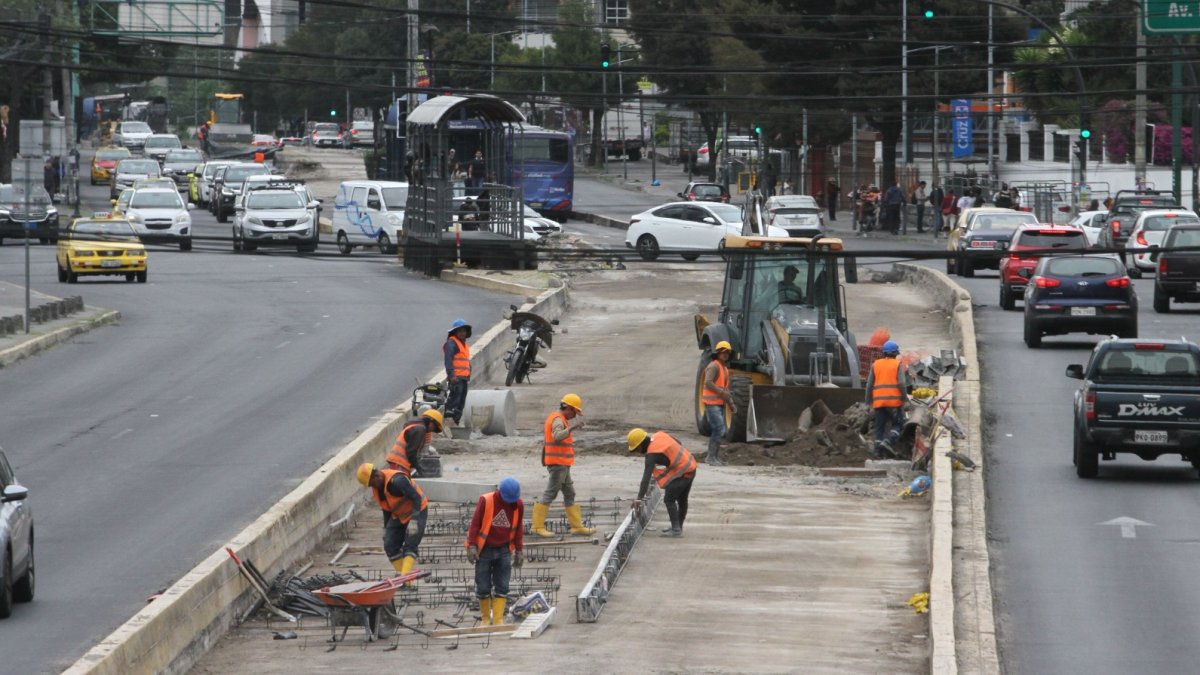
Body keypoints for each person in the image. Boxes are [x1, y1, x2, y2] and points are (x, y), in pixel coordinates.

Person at [531, 394, 595, 538]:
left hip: (563, 464)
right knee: (550, 493)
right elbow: (557, 436)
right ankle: (537, 526)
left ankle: (577, 527)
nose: (574, 416)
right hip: (558, 464)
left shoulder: (560, 419)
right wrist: (572, 428)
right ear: (568, 408)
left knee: (569, 493)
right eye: (574, 412)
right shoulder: (558, 420)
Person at [465, 477, 524, 626]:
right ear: (499, 492)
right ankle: (485, 619)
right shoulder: (487, 500)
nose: (510, 502)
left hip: (504, 549)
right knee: (483, 586)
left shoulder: (518, 504)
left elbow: (519, 529)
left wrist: (519, 550)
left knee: (502, 585)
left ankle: (498, 620)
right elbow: (475, 524)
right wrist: (472, 545)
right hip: (484, 550)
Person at [356, 462, 428, 578]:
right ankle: (402, 576)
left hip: (417, 511)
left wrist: (414, 521)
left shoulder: (398, 481)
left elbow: (416, 498)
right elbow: (386, 507)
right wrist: (386, 528)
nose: (372, 487)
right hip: (399, 515)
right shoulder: (378, 488)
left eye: (372, 483)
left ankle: (406, 581)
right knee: (390, 545)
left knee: (410, 546)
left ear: (377, 476)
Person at [628, 428, 698, 537]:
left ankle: (676, 530)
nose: (638, 452)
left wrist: (639, 498)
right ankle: (678, 527)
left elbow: (645, 478)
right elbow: (678, 443)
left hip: (683, 472)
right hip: (691, 465)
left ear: (640, 445)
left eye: (636, 449)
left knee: (669, 499)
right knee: (682, 500)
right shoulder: (659, 435)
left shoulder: (651, 455)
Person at [865, 340, 909, 459]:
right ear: (895, 353)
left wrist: (867, 402)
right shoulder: (897, 364)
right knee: (898, 425)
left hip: (879, 403)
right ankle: (888, 441)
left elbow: (869, 385)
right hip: (894, 403)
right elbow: (901, 383)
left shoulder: (876, 364)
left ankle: (877, 452)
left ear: (884, 353)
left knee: (879, 427)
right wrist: (905, 398)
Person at [701, 340, 736, 467]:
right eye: (723, 352)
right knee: (719, 429)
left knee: (719, 429)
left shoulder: (724, 369)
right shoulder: (714, 366)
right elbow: (708, 383)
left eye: (727, 352)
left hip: (719, 403)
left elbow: (725, 389)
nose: (725, 354)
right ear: (718, 353)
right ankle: (711, 457)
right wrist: (722, 393)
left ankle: (715, 457)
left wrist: (730, 403)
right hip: (712, 403)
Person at [386, 409, 444, 475]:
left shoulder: (415, 425)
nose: (432, 430)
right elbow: (411, 452)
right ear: (431, 422)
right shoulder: (419, 429)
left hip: (398, 462)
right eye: (434, 427)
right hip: (399, 463)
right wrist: (419, 467)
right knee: (401, 484)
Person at [444, 319, 472, 425]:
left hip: (463, 378)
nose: (462, 333)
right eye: (459, 331)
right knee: (454, 401)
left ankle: (456, 421)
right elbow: (448, 361)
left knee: (461, 402)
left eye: (464, 331)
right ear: (455, 332)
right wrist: (452, 376)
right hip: (456, 378)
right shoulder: (451, 344)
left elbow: (465, 361)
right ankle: (448, 422)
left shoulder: (463, 345)